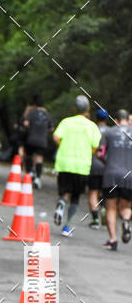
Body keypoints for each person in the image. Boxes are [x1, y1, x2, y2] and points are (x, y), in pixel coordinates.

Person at [53, 95, 102, 237]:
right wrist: (88, 152)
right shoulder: (91, 126)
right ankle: (67, 227)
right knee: (75, 197)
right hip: (82, 166)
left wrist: (63, 146)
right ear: (87, 109)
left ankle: (61, 202)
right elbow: (96, 146)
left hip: (64, 163)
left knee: (64, 192)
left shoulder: (66, 122)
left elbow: (56, 137)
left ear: (74, 108)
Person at [99, 109, 132, 251]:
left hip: (111, 174)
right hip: (129, 176)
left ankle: (113, 239)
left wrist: (107, 162)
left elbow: (100, 152)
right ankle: (125, 221)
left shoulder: (109, 132)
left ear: (116, 120)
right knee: (126, 206)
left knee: (111, 207)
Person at [21, 94, 54, 189]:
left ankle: (30, 173)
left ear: (35, 105)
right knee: (39, 158)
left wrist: (31, 126)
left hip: (31, 139)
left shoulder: (32, 112)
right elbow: (52, 128)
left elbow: (25, 123)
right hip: (42, 140)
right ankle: (38, 178)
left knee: (29, 156)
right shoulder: (47, 115)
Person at [87, 108, 108, 229]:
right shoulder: (111, 131)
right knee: (102, 192)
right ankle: (104, 209)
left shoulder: (91, 128)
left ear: (96, 118)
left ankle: (95, 219)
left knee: (93, 192)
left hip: (93, 164)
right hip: (106, 165)